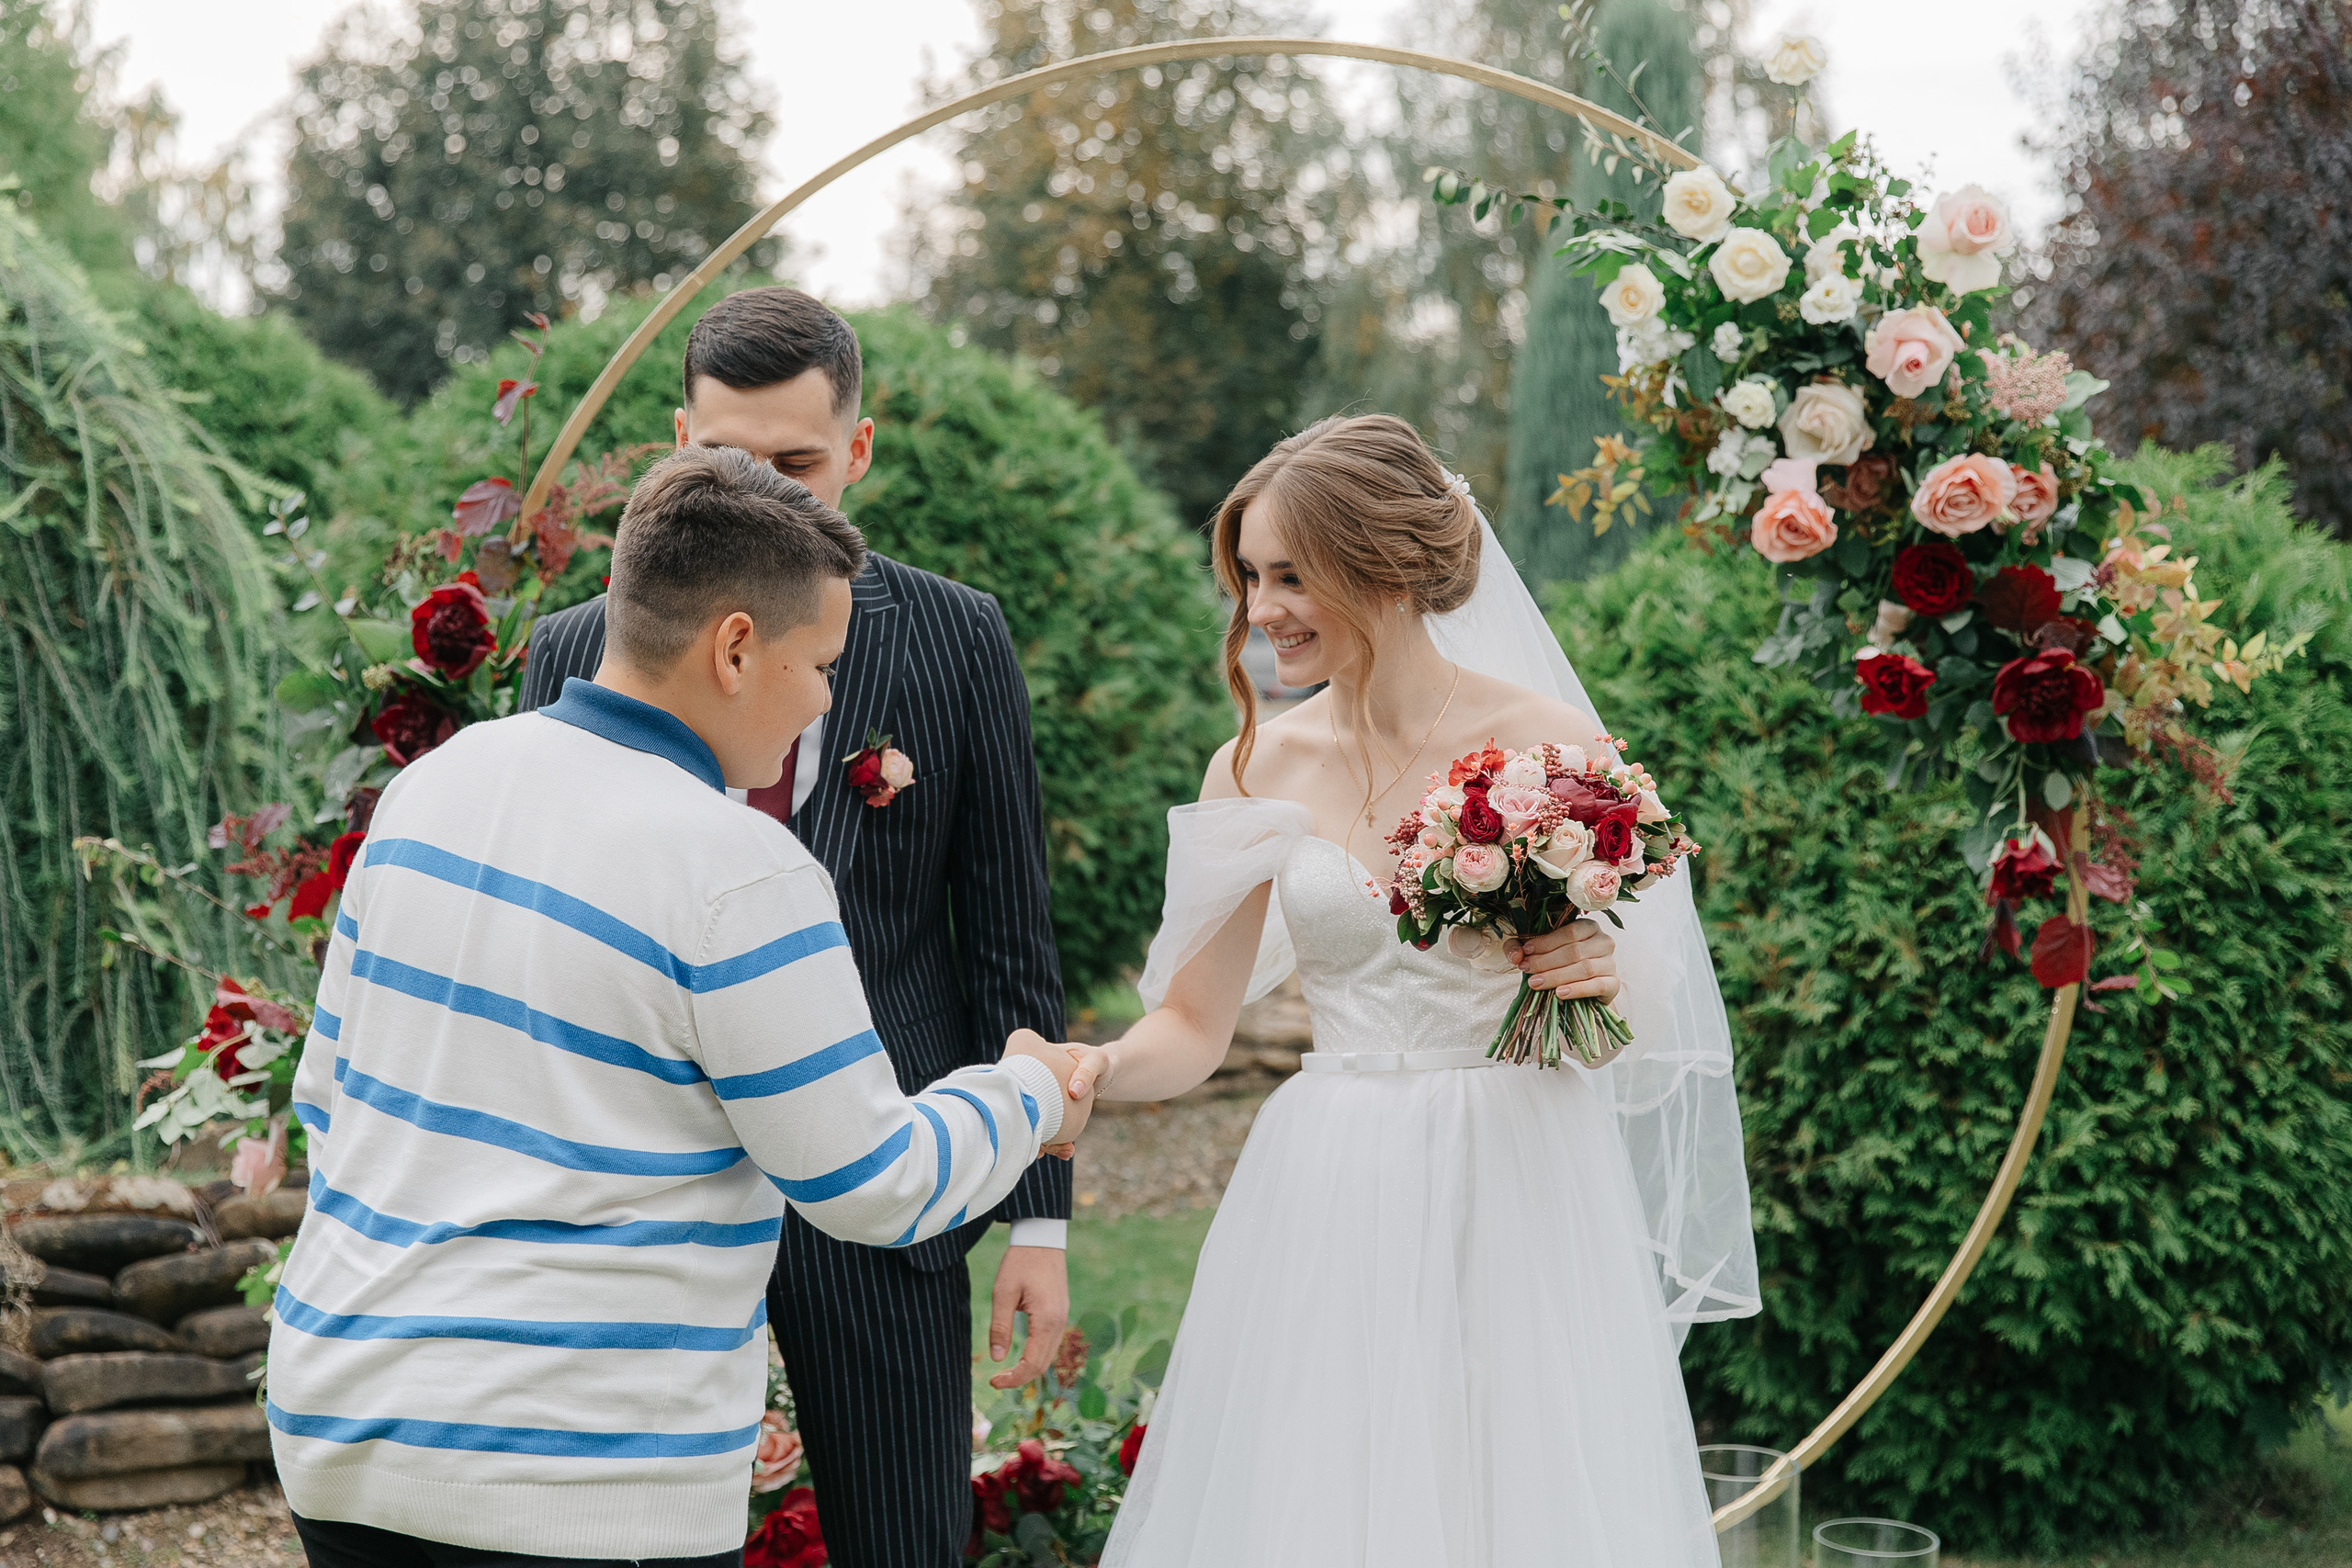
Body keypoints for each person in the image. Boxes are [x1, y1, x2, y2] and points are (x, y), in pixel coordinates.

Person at [266, 446, 1092, 1566]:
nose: (826, 700)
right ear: (736, 647)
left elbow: (329, 1093)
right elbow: (871, 1181)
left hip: (343, 1425)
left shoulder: (432, 789)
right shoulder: (738, 868)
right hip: (573, 1474)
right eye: (819, 664)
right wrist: (1028, 1093)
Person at [1064, 415, 1761, 1566]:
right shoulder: (1252, 765)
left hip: (1523, 1170)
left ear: (1380, 566)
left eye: (1290, 575)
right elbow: (1190, 1026)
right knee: (1328, 1493)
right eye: (1249, 576)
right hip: (1334, 1176)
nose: (1260, 609)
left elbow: (1636, 994)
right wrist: (1093, 1070)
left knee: (1514, 1489)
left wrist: (1599, 973)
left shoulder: (1549, 748)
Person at [520, 287, 1073, 1568]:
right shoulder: (572, 648)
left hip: (885, 1178)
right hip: (639, 1186)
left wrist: (1037, 1217)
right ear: (674, 444)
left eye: (797, 464)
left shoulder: (955, 637)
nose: (761, 496)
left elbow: (1008, 935)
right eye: (724, 460)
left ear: (860, 452)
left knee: (907, 1540)